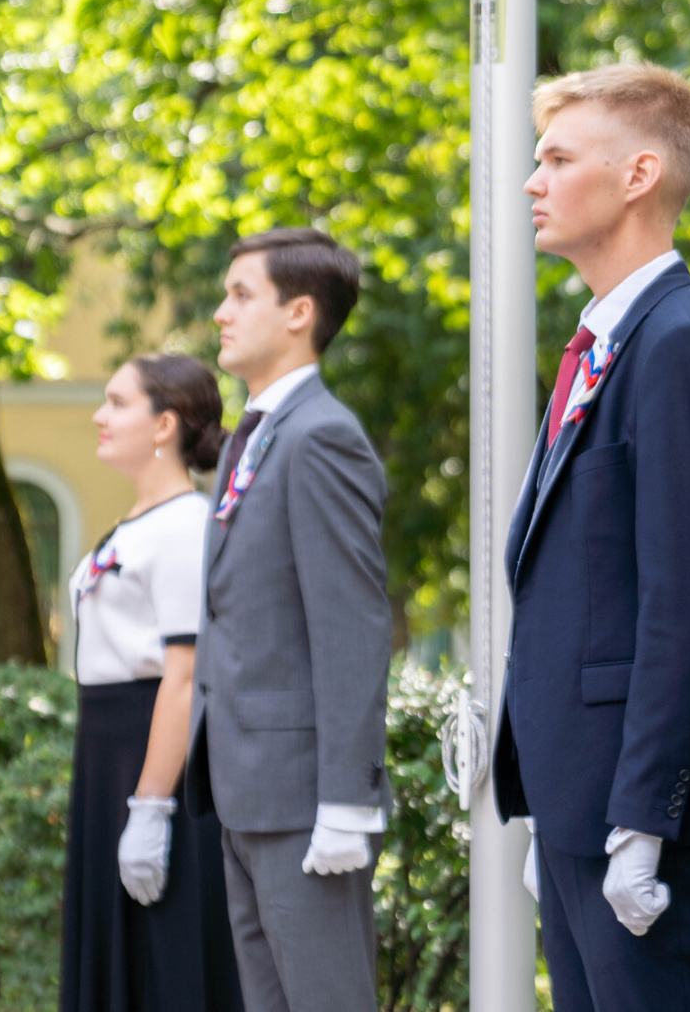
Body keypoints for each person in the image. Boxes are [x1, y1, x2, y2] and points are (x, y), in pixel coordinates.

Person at [492, 62, 690, 1012]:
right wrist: (555, 808)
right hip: (582, 801)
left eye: (557, 159)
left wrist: (642, 820)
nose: (532, 182)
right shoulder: (606, 342)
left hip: (644, 810)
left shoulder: (682, 341)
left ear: (639, 175)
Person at [185, 228, 393, 1012]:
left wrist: (346, 799)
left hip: (305, 798)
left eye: (241, 295)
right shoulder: (256, 435)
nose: (221, 313)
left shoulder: (321, 436)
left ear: (299, 312)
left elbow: (352, 626)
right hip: (246, 788)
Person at [60, 353, 245, 1012]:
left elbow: (185, 674)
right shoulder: (140, 522)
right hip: (107, 752)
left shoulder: (185, 526)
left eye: (117, 403)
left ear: (165, 424)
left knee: (162, 958)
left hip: (153, 755)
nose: (99, 416)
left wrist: (151, 807)